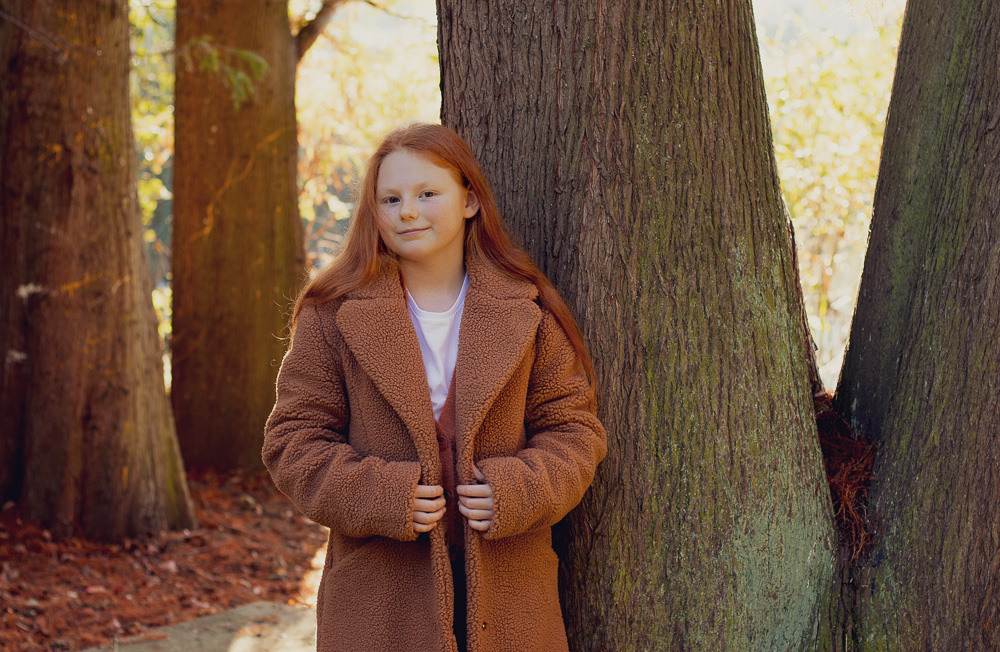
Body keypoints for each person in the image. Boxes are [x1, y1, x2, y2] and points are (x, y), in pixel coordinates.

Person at [262, 123, 607, 652]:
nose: (407, 212)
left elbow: (574, 430)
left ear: (469, 200)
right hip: (380, 599)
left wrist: (518, 489)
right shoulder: (330, 313)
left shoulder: (527, 308)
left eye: (428, 194)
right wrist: (382, 495)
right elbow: (292, 442)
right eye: (391, 198)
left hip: (510, 594)